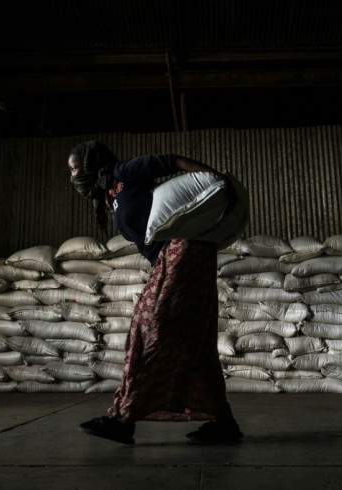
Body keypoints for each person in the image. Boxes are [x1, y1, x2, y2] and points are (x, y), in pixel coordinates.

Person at [67, 140, 243, 445]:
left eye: (74, 169)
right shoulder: (111, 198)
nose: (73, 177)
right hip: (173, 256)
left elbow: (173, 161)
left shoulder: (124, 172)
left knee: (148, 329)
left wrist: (217, 179)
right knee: (193, 338)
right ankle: (223, 421)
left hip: (183, 247)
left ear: (90, 164)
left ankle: (122, 419)